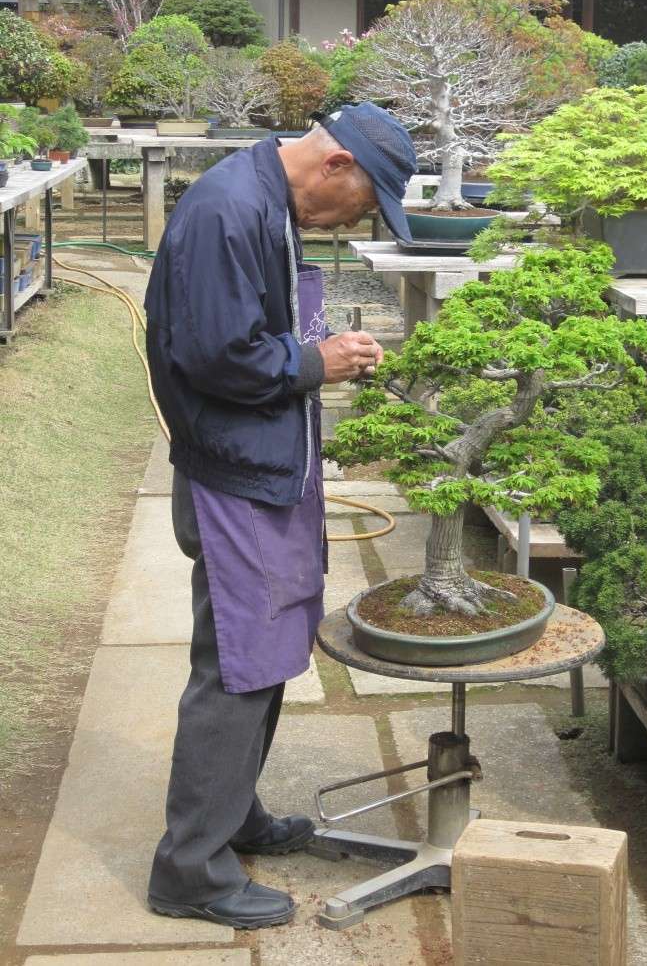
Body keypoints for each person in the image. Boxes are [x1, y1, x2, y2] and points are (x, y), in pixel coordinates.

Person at [143, 104, 417, 929]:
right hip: (236, 474)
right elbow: (217, 354)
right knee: (237, 667)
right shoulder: (230, 209)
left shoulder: (268, 200)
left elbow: (255, 326)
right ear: (336, 165)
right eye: (367, 201)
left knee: (265, 651)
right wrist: (316, 360)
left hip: (267, 461)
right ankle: (190, 868)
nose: (360, 218)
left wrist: (323, 348)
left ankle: (235, 817)